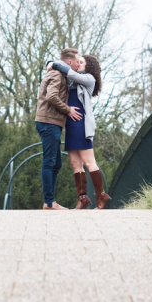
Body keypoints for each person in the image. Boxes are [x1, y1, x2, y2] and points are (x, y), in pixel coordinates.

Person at [48, 53, 111, 209]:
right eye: (76, 61)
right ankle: (82, 199)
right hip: (70, 125)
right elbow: (66, 71)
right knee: (75, 163)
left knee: (89, 162)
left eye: (80, 62)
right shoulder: (72, 82)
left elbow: (68, 71)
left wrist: (53, 64)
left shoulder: (89, 79)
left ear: (88, 66)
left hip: (81, 125)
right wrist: (51, 62)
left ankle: (101, 196)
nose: (77, 63)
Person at [35, 48, 83, 210]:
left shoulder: (58, 73)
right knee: (49, 161)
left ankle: (49, 201)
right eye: (77, 62)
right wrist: (68, 109)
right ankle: (49, 202)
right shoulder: (57, 74)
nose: (78, 65)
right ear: (69, 62)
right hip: (49, 122)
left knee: (56, 163)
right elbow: (52, 96)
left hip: (51, 122)